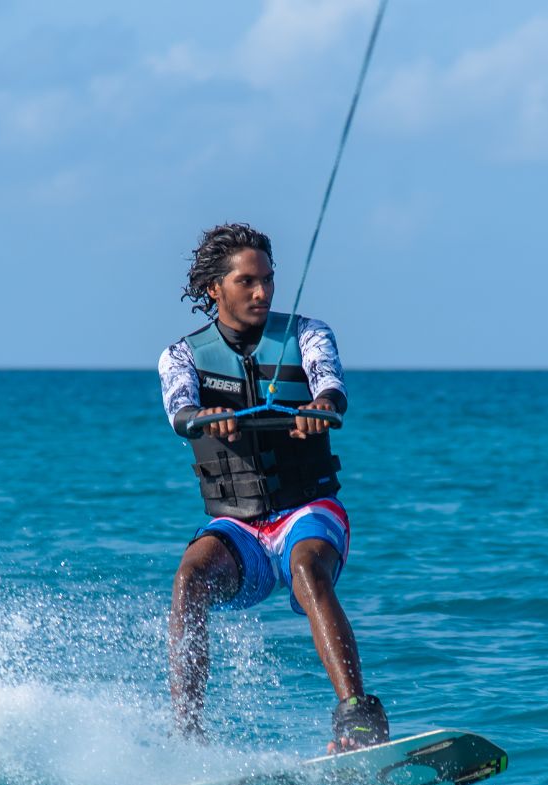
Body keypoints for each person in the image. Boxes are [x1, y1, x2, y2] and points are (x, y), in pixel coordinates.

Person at [157, 222, 388, 754]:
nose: (262, 292)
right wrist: (202, 418)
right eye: (247, 282)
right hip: (238, 527)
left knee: (307, 567)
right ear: (216, 287)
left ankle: (357, 718)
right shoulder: (182, 356)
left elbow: (330, 385)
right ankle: (188, 739)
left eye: (268, 280)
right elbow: (179, 410)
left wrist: (320, 409)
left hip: (308, 510)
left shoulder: (308, 334)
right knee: (189, 578)